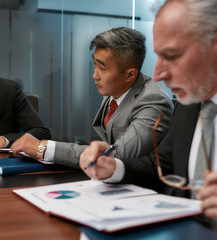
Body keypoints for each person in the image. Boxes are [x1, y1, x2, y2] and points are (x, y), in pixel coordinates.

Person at [79, 0, 217, 238]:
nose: (158, 74)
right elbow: (162, 167)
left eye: (171, 55)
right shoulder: (190, 101)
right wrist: (114, 167)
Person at [11, 27, 172, 169]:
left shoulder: (153, 102)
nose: (95, 75)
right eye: (95, 64)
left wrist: (45, 149)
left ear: (130, 75)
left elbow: (117, 154)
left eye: (102, 68)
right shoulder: (114, 87)